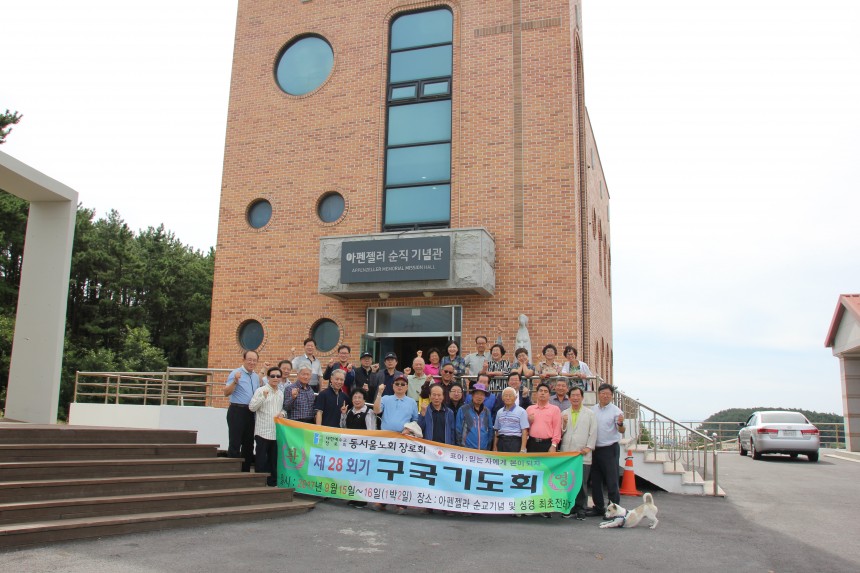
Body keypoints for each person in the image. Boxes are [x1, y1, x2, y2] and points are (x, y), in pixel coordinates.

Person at [372, 375, 419, 514]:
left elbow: (415, 420)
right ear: (393, 386)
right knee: (385, 470)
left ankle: (401, 502)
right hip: (387, 440)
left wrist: (409, 428)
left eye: (402, 384)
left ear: (406, 387)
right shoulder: (386, 398)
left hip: (403, 440)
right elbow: (376, 410)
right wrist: (379, 393)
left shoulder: (411, 402)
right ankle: (382, 500)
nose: (399, 386)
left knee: (401, 471)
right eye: (397, 384)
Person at [587, 383, 625, 517]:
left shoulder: (616, 411)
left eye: (608, 394)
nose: (605, 396)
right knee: (595, 480)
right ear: (599, 394)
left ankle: (615, 509)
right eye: (603, 393)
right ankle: (598, 507)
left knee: (612, 480)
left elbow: (621, 430)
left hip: (610, 449)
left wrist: (620, 424)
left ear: (612, 396)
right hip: (595, 449)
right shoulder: (592, 410)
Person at [560, 386, 597, 519]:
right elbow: (561, 433)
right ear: (569, 398)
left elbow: (593, 432)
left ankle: (581, 509)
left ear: (582, 397)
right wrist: (563, 424)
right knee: (568, 482)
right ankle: (569, 507)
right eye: (573, 396)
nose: (575, 398)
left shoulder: (590, 413)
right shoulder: (564, 413)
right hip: (568, 454)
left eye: (578, 395)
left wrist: (588, 447)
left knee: (581, 483)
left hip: (582, 453)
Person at [224, 350, 260, 472]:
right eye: (249, 359)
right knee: (235, 442)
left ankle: (245, 472)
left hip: (250, 413)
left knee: (249, 444)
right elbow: (226, 392)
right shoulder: (236, 373)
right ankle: (232, 472)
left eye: (254, 360)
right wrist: (235, 381)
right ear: (243, 360)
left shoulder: (255, 377)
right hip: (237, 410)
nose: (252, 362)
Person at [248, 366, 285, 486]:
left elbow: (282, 409)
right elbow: (252, 407)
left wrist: (283, 414)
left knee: (273, 460)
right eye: (273, 376)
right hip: (262, 431)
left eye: (278, 376)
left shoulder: (280, 393)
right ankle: (259, 482)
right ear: (268, 377)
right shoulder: (261, 390)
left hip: (275, 432)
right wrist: (263, 397)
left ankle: (272, 482)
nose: (275, 378)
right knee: (260, 459)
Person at [455, 382, 493, 450]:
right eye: (477, 394)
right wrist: (460, 447)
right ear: (472, 395)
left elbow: (490, 430)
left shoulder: (487, 411)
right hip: (467, 450)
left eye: (482, 395)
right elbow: (458, 430)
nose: (479, 397)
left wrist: (488, 447)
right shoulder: (463, 409)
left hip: (483, 450)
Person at [493, 387, 529, 453]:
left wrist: (523, 449)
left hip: (514, 442)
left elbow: (524, 431)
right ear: (502, 398)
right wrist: (495, 446)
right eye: (506, 395)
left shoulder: (522, 411)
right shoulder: (499, 412)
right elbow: (497, 431)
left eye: (510, 395)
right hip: (501, 441)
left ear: (515, 398)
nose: (508, 398)